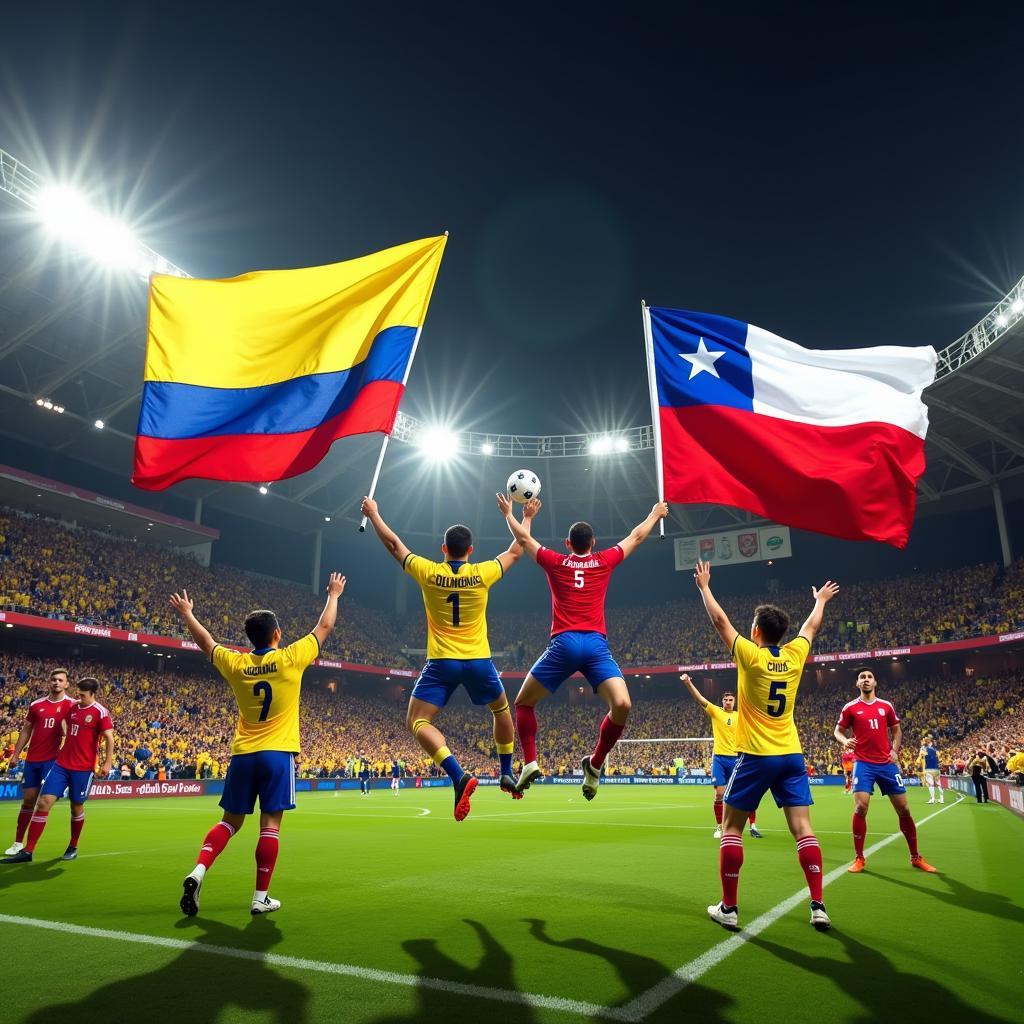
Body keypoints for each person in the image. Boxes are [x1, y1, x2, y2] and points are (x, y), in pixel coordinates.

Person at [170, 572, 345, 916]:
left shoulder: (236, 663)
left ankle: (198, 870)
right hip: (277, 755)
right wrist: (334, 594)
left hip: (243, 754)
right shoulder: (290, 658)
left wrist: (188, 613)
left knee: (229, 822)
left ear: (249, 638)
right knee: (270, 825)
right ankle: (260, 896)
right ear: (277, 634)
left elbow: (206, 643)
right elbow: (324, 628)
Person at [360, 495, 530, 821]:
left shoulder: (429, 572)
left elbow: (396, 547)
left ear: (443, 549)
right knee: (500, 709)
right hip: (479, 660)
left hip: (441, 662)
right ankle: (506, 772)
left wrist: (376, 515)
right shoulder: (482, 573)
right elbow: (517, 550)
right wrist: (521, 517)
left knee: (418, 721)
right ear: (470, 551)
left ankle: (457, 774)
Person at [694, 559, 839, 932]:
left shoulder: (751, 655)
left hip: (757, 755)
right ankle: (819, 905)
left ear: (756, 630)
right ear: (782, 634)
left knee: (730, 828)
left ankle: (729, 908)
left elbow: (721, 624)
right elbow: (811, 626)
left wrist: (705, 587)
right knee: (804, 830)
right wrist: (820, 600)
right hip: (791, 754)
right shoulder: (794, 655)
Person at [500, 496, 670, 800]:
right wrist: (655, 513)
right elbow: (637, 535)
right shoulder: (604, 560)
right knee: (622, 706)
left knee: (524, 703)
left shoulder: (555, 561)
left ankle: (530, 762)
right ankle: (595, 764)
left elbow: (523, 539)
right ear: (593, 542)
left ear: (568, 543)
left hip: (563, 645)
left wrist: (513, 514)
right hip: (594, 647)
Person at [834, 669, 937, 875]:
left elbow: (897, 730)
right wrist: (846, 741)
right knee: (861, 807)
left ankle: (915, 856)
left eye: (869, 677)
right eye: (862, 677)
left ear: (875, 682)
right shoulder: (850, 707)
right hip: (863, 763)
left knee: (904, 810)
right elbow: (838, 731)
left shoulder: (886, 706)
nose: (865, 680)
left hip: (886, 764)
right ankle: (859, 857)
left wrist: (895, 750)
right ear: (857, 683)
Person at [2, 677, 114, 864]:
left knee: (76, 806)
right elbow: (61, 722)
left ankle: (73, 845)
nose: (78, 698)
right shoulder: (72, 708)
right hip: (61, 764)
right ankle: (28, 851)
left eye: (83, 695)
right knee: (44, 802)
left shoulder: (100, 712)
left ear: (93, 694)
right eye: (77, 694)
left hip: (83, 768)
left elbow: (109, 738)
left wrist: (107, 762)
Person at [4, 667, 77, 857]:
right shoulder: (36, 705)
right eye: (54, 679)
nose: (57, 683)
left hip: (53, 762)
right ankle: (18, 843)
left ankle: (30, 848)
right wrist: (16, 754)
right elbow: (27, 729)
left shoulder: (72, 705)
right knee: (27, 801)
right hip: (32, 760)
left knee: (43, 802)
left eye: (61, 680)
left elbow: (74, 732)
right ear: (49, 682)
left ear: (67, 684)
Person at [679, 675, 762, 839]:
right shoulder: (716, 712)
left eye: (731, 700)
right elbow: (699, 698)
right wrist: (688, 683)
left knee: (746, 793)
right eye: (726, 700)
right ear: (722, 701)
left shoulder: (741, 716)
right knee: (719, 794)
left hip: (737, 759)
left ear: (734, 701)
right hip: (719, 759)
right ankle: (719, 827)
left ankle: (752, 826)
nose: (728, 702)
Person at [917, 735, 944, 805]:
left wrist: (922, 747)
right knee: (939, 784)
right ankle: (941, 799)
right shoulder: (935, 749)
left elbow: (920, 754)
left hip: (928, 769)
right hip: (936, 769)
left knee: (931, 785)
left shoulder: (924, 748)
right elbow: (939, 755)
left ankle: (932, 799)